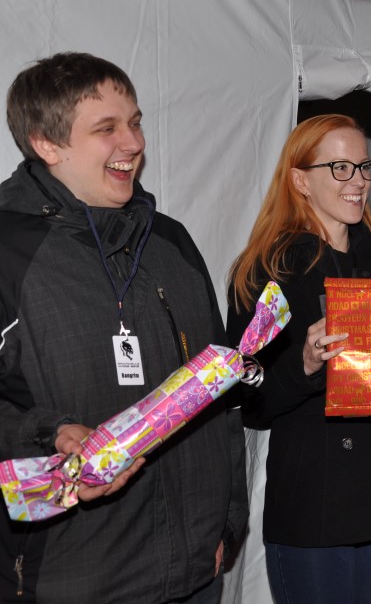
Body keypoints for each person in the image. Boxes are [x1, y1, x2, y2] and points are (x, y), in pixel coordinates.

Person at [0, 52, 246, 603]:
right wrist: (49, 432)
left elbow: (219, 393)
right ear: (47, 143)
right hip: (75, 581)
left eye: (134, 122)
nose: (133, 143)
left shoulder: (171, 242)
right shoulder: (7, 252)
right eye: (106, 128)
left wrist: (227, 523)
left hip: (195, 573)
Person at [225, 114, 371, 604]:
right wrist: (303, 365)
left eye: (364, 167)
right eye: (340, 168)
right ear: (300, 180)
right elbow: (246, 398)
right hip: (316, 500)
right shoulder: (267, 272)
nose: (358, 181)